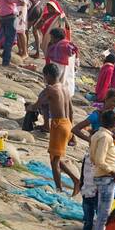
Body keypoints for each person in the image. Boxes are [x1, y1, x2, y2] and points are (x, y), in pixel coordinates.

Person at [88, 110, 115, 230]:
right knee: (103, 215)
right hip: (106, 179)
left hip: (104, 178)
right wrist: (113, 172)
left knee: (103, 214)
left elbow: (93, 157)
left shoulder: (97, 134)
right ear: (114, 124)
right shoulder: (104, 137)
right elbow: (99, 160)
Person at [40, 62, 80, 193]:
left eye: (44, 76)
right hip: (67, 123)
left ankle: (60, 188)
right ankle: (74, 180)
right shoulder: (65, 89)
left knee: (54, 161)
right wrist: (72, 130)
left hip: (58, 125)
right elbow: (72, 111)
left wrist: (29, 108)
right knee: (55, 157)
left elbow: (38, 104)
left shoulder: (51, 89)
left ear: (48, 75)